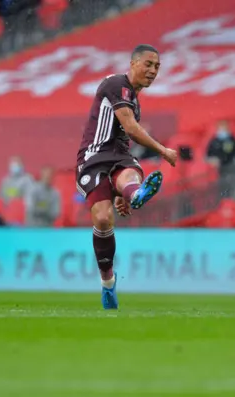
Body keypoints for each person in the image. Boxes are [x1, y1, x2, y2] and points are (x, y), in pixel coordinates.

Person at [75, 44, 177, 310]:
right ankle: (108, 284)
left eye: (157, 67)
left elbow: (126, 137)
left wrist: (122, 193)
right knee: (103, 218)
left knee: (129, 174)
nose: (153, 71)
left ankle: (133, 193)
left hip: (120, 159)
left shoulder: (134, 100)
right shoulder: (116, 84)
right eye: (148, 64)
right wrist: (163, 150)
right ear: (132, 64)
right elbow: (130, 128)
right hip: (93, 158)